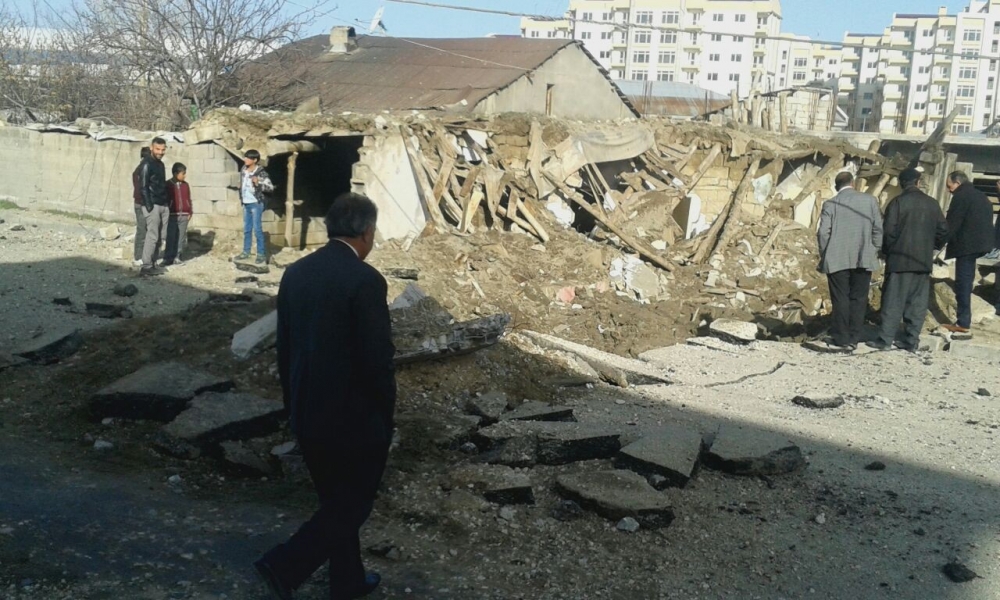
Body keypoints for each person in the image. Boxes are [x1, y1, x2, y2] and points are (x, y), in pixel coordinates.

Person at [255, 193, 395, 600]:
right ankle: (285, 565)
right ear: (367, 232)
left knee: (335, 501)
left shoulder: (296, 273)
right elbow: (377, 360)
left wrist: (292, 404)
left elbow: (285, 348)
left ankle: (347, 583)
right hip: (354, 418)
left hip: (307, 409)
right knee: (353, 504)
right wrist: (385, 414)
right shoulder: (366, 281)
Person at [868, 168, 948, 352]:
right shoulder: (932, 203)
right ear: (918, 182)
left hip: (899, 261)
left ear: (901, 184)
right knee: (917, 304)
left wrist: (887, 252)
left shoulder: (897, 203)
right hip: (922, 262)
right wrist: (932, 247)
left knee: (893, 301)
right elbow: (943, 231)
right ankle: (911, 340)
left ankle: (885, 340)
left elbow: (888, 232)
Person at [817, 171, 884, 350]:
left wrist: (825, 253)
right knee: (859, 298)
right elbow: (878, 229)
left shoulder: (830, 204)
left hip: (836, 258)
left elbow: (823, 233)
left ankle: (841, 337)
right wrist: (874, 248)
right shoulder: (870, 201)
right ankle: (854, 336)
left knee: (840, 298)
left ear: (836, 186)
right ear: (853, 183)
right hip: (863, 257)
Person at [942, 171, 994, 333]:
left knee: (963, 283)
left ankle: (962, 322)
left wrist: (937, 243)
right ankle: (963, 320)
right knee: (967, 280)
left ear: (957, 183)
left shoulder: (961, 196)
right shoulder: (981, 195)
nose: (949, 190)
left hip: (966, 246)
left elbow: (952, 223)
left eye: (949, 186)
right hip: (981, 246)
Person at [139, 137, 170, 277]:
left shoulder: (160, 164)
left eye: (163, 149)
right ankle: (146, 266)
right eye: (158, 149)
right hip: (152, 204)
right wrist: (149, 206)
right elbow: (143, 186)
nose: (160, 152)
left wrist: (166, 203)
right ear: (151, 148)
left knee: (161, 236)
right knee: (152, 236)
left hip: (162, 204)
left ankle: (153, 263)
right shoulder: (146, 164)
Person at [237, 149, 274, 265]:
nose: (245, 159)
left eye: (248, 158)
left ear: (255, 160)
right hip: (246, 202)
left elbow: (270, 188)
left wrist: (258, 183)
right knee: (247, 229)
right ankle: (246, 252)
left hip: (256, 203)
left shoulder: (261, 173)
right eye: (245, 157)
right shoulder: (244, 170)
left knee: (257, 229)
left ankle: (261, 254)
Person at [163, 162, 192, 266]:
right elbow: (165, 200)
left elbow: (189, 199)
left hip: (184, 215)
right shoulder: (168, 185)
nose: (185, 176)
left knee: (181, 237)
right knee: (171, 237)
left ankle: (178, 257)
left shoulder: (185, 185)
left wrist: (190, 211)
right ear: (176, 174)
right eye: (183, 173)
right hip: (172, 215)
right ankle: (168, 258)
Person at [131, 147, 151, 267]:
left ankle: (144, 256)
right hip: (141, 203)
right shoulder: (141, 170)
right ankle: (138, 257)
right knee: (142, 230)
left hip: (143, 203)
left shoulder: (140, 169)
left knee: (147, 231)